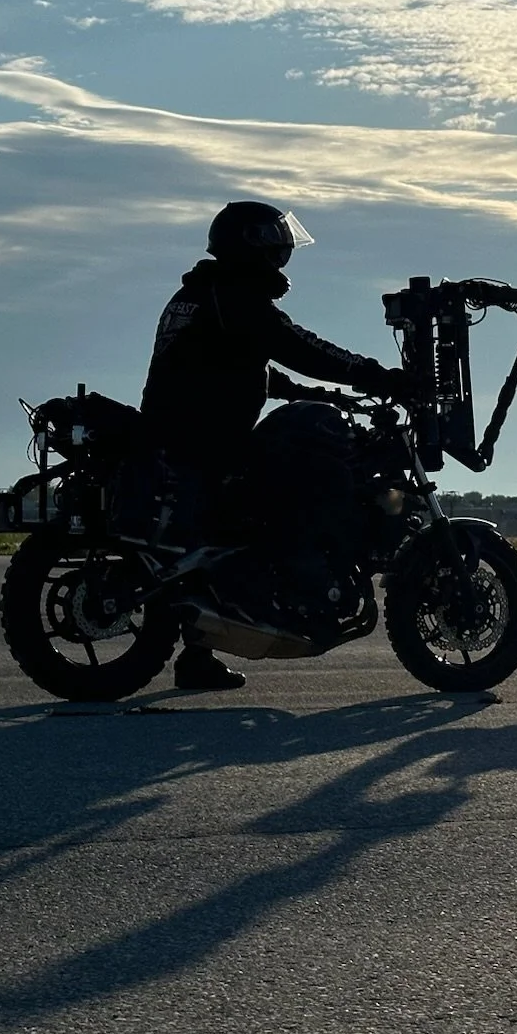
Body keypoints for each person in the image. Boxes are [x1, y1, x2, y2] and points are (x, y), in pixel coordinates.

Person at [140, 201, 406, 691]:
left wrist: (312, 393)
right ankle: (299, 587)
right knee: (305, 488)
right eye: (274, 240)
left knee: (217, 534)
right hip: (206, 435)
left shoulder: (202, 294)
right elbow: (294, 343)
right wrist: (372, 374)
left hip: (185, 431)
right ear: (251, 244)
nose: (283, 250)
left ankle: (199, 655)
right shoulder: (235, 296)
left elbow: (238, 361)